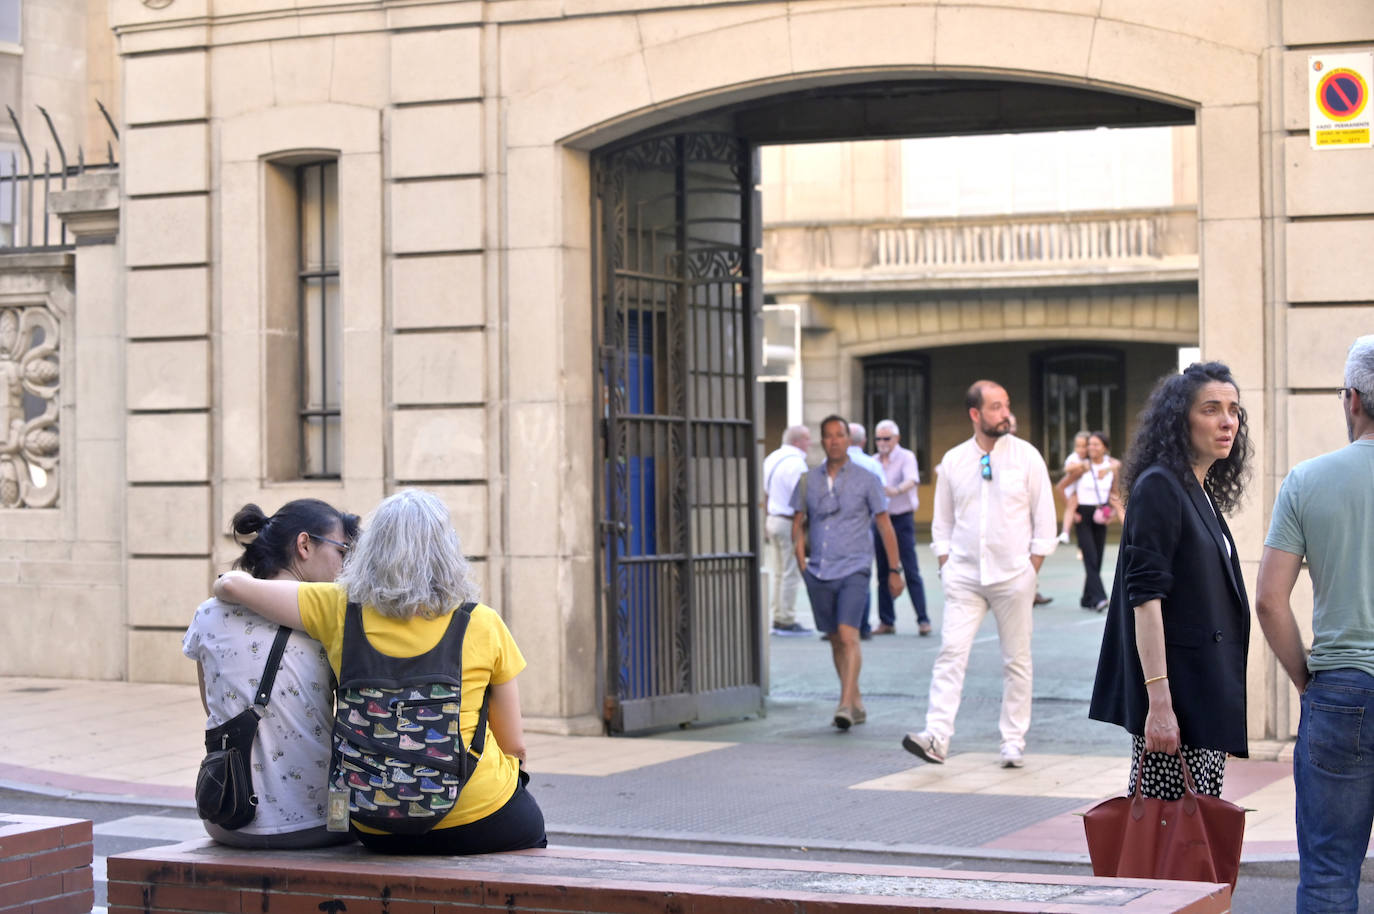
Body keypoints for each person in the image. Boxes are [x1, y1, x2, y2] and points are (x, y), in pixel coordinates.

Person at [212, 489, 547, 855]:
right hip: (478, 817)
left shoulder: (338, 608)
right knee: (532, 831)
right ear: (448, 551)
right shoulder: (482, 623)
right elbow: (515, 744)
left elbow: (230, 585)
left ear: (370, 549)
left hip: (375, 821)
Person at [1089, 362, 1252, 811]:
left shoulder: (1196, 489)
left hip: (1202, 695)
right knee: (1168, 840)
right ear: (1181, 419)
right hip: (1177, 705)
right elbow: (1144, 599)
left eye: (1234, 410)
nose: (1227, 421)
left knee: (1193, 834)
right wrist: (1158, 705)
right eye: (1211, 409)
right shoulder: (1160, 486)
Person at [1255, 335, 1374, 914]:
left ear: (1351, 399)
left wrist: (1308, 682)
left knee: (1329, 876)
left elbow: (1270, 601)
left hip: (1339, 691)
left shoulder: (1307, 480)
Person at [183, 498, 361, 849]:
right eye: (342, 551)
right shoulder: (330, 619)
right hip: (320, 823)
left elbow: (213, 708)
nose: (346, 566)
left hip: (227, 819)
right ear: (305, 545)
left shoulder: (208, 614)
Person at [902, 382, 1057, 769]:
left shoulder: (1027, 457)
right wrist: (946, 566)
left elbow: (1045, 522)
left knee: (1016, 661)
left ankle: (1012, 742)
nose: (1005, 413)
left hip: (1013, 578)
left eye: (1006, 405)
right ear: (975, 414)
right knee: (950, 653)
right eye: (995, 407)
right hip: (965, 578)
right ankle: (936, 736)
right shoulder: (954, 461)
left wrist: (1029, 571)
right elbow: (942, 524)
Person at [792, 416, 903, 730]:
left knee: (848, 635)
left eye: (839, 435)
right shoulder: (807, 480)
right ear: (822, 441)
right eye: (828, 436)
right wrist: (802, 563)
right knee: (834, 639)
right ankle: (855, 700)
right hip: (819, 570)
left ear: (848, 440)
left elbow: (884, 524)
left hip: (855, 567)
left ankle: (843, 704)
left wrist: (894, 570)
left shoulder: (867, 478)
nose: (834, 441)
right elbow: (798, 523)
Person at [872, 419, 931, 636]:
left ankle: (923, 619)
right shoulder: (873, 461)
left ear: (896, 439)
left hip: (901, 518)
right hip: (880, 519)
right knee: (883, 571)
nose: (882, 442)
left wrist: (895, 490)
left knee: (910, 568)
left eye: (886, 438)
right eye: (878, 438)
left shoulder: (906, 457)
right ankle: (886, 621)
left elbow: (912, 480)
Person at [762, 424, 813, 635]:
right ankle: (786, 619)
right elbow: (802, 498)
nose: (810, 444)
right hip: (789, 521)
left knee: (779, 572)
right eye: (808, 439)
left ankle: (778, 615)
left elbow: (765, 491)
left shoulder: (772, 458)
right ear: (798, 441)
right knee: (791, 572)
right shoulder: (797, 463)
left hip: (773, 518)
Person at [1071, 431, 1124, 612]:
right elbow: (1064, 485)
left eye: (1096, 444)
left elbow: (1115, 492)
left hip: (1101, 513)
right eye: (1090, 444)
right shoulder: (1081, 466)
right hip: (1083, 514)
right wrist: (1072, 512)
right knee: (1090, 557)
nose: (1091, 447)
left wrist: (1114, 513)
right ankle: (1100, 597)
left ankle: (1087, 598)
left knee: (1098, 558)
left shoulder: (1111, 466)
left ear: (1105, 448)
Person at [847, 422, 887, 639]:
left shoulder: (833, 462)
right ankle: (862, 625)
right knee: (863, 574)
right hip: (864, 524)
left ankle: (839, 624)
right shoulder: (871, 464)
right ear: (863, 441)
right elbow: (882, 497)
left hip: (837, 526)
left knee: (838, 574)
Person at [1057, 431, 1091, 544]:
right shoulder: (1074, 457)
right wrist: (1081, 465)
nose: (1081, 449)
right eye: (1078, 446)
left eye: (1084, 446)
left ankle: (1080, 546)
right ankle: (1065, 531)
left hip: (1086, 492)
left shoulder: (1092, 458)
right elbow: (1067, 469)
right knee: (1072, 504)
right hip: (1073, 490)